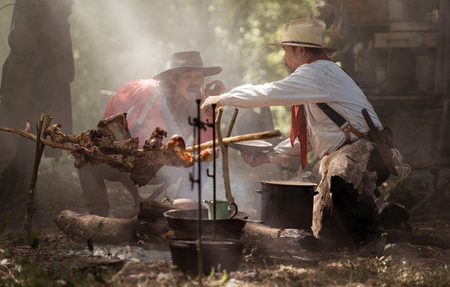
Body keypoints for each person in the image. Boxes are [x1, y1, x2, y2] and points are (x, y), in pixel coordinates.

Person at [202, 19, 407, 253]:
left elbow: (269, 93)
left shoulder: (317, 72)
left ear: (301, 50)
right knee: (326, 234)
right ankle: (387, 219)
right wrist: (268, 157)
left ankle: (371, 241)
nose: (283, 58)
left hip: (363, 154)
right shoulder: (317, 77)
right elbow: (307, 139)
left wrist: (224, 99)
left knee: (339, 175)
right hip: (359, 155)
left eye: (286, 51)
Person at [79, 51, 225, 216]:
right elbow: (107, 129)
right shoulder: (139, 91)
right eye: (189, 77)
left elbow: (208, 148)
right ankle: (98, 219)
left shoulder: (204, 103)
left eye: (199, 77)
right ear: (173, 79)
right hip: (125, 163)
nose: (196, 83)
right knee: (86, 160)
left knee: (201, 159)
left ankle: (179, 215)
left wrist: (210, 109)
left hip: (165, 168)